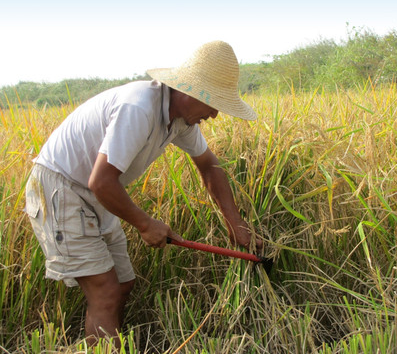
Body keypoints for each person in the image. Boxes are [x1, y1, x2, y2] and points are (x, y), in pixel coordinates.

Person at [24, 40, 262, 347]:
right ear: (191, 93)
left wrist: (235, 222)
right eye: (214, 103)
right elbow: (101, 181)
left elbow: (209, 165)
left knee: (123, 283)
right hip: (62, 189)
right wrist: (146, 224)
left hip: (96, 194)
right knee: (105, 291)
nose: (215, 114)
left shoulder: (180, 120)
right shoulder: (138, 108)